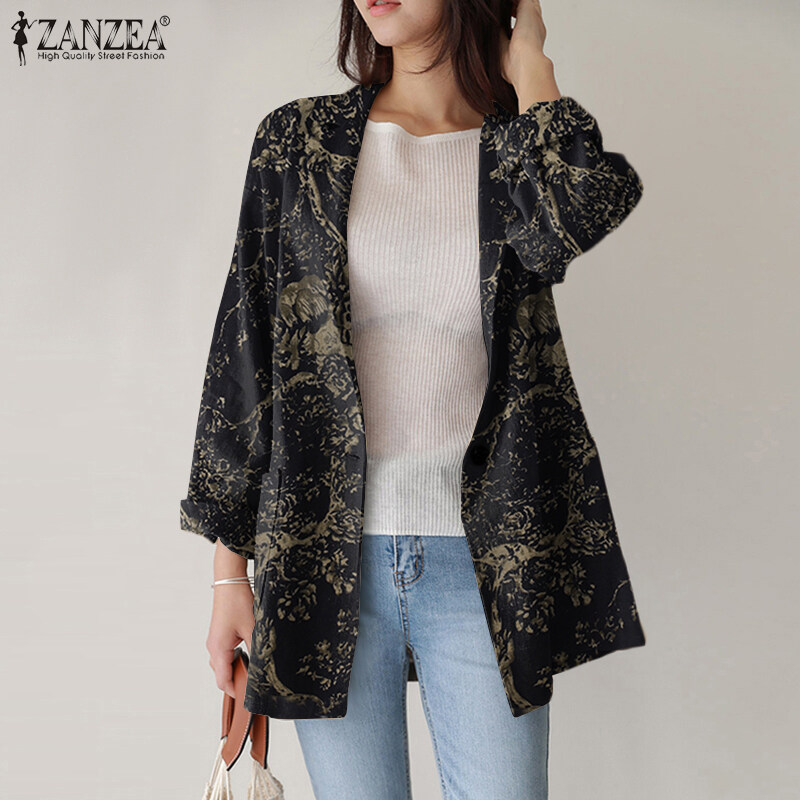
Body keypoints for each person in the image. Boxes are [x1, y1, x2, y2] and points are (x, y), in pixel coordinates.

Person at [194, 1, 642, 798]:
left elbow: (575, 214)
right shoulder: (298, 142)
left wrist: (529, 61)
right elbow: (245, 355)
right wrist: (231, 575)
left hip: (485, 562)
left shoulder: (513, 153)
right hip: (322, 559)